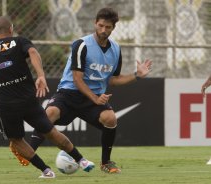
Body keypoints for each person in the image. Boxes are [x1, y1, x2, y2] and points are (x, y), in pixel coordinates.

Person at [29, 7, 152, 174]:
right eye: (100, 25)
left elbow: (113, 79)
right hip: (69, 93)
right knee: (50, 113)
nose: (103, 30)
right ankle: (27, 152)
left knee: (110, 118)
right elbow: (77, 79)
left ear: (113, 28)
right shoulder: (81, 45)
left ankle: (106, 163)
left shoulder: (116, 49)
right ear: (95, 23)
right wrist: (95, 98)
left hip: (92, 99)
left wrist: (137, 75)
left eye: (107, 27)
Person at [0, 16, 94, 178]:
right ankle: (82, 160)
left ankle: (46, 170)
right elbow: (32, 52)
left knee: (16, 140)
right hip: (28, 100)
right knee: (50, 131)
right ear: (11, 29)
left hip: (7, 104)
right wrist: (41, 76)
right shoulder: (19, 41)